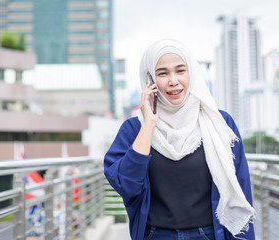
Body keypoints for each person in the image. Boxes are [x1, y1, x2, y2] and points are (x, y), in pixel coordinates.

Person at [104, 39, 255, 240]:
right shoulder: (134, 129)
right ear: (150, 80)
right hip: (156, 235)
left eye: (180, 71)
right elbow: (127, 186)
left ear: (191, 73)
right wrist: (149, 124)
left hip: (208, 234)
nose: (173, 80)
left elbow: (241, 186)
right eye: (162, 73)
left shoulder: (219, 122)